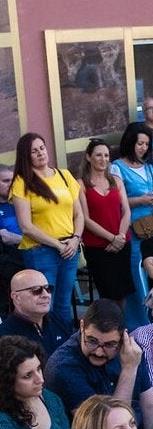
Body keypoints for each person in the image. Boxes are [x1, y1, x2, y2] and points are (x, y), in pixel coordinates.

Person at [44, 298, 153, 429]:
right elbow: (104, 428)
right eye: (92, 341)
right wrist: (128, 370)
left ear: (123, 337)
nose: (98, 352)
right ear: (82, 326)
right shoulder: (63, 367)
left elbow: (150, 407)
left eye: (109, 344)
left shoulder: (131, 352)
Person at [9, 135, 84, 326]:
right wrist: (57, 245)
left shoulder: (64, 176)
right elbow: (26, 226)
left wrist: (75, 239)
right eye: (34, 151)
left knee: (64, 304)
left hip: (69, 248)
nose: (40, 153)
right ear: (26, 156)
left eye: (42, 148)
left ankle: (63, 341)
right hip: (41, 251)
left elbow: (79, 214)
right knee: (43, 306)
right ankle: (44, 342)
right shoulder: (22, 182)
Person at [78, 138, 134, 307]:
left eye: (106, 155)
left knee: (123, 292)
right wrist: (112, 238)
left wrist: (120, 237)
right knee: (107, 294)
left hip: (122, 243)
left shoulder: (116, 180)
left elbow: (126, 211)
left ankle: (121, 323)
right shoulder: (81, 184)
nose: (103, 159)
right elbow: (85, 219)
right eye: (98, 155)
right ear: (88, 157)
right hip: (98, 247)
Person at [0, 269, 70, 356]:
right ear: (16, 297)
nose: (46, 295)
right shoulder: (5, 337)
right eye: (36, 290)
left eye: (48, 288)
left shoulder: (60, 322)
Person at [112, 122, 153, 226]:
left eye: (147, 144)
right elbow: (115, 202)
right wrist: (139, 200)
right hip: (135, 225)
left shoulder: (152, 163)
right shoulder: (117, 168)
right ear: (130, 142)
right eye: (140, 144)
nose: (144, 148)